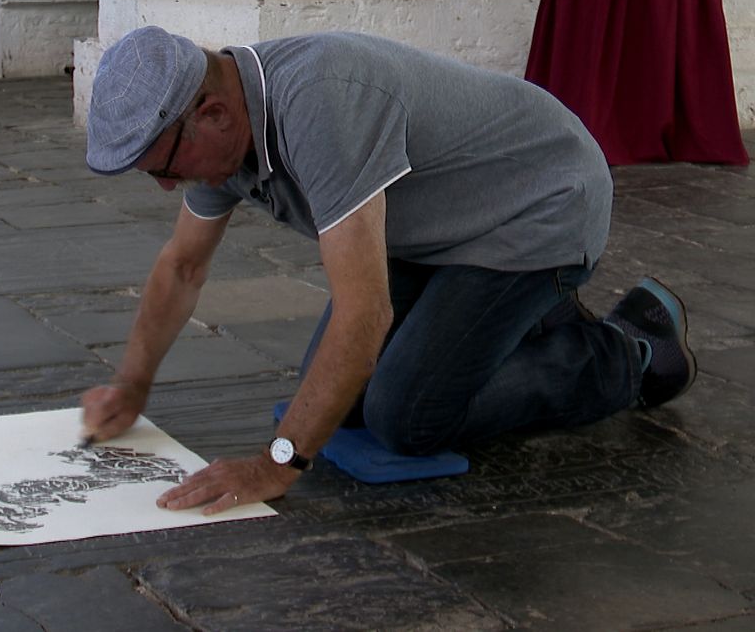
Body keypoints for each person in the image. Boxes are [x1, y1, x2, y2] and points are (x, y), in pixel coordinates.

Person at [78, 26, 697, 516]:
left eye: (165, 166)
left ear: (211, 112)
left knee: (406, 416)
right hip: (442, 226)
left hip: (541, 205)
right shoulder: (222, 129)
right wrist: (133, 384)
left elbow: (365, 313)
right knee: (338, 404)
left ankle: (628, 351)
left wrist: (277, 463)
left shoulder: (320, 102)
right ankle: (522, 318)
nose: (167, 186)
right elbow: (182, 265)